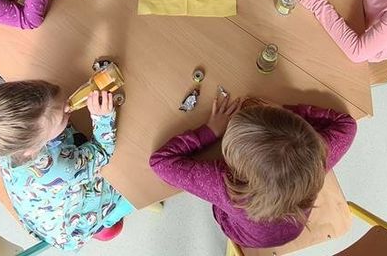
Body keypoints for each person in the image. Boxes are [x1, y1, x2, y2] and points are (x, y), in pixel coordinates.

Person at [149, 95, 356, 248]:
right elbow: (348, 125)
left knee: (221, 209)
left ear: (239, 169)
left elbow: (160, 162)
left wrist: (210, 131)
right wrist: (286, 115)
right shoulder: (317, 160)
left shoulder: (226, 186)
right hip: (295, 224)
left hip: (245, 235)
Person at [0, 82, 132, 250]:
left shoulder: (7, 141)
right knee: (133, 182)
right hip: (72, 228)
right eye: (63, 115)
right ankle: (107, 223)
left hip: (39, 214)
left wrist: (58, 116)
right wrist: (102, 119)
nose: (68, 107)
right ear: (34, 146)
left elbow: (46, 122)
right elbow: (102, 152)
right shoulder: (56, 168)